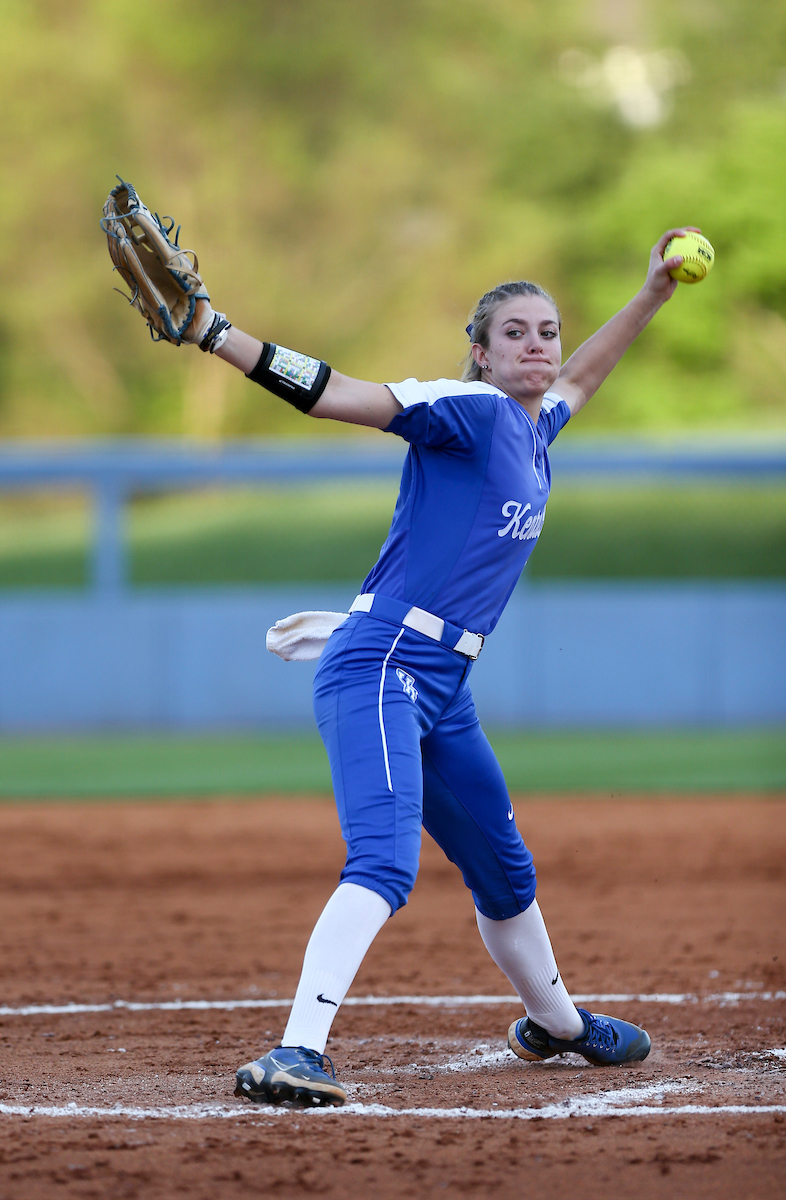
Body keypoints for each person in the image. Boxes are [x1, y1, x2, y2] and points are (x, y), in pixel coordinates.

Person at [199, 228, 696, 1107]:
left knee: (505, 871)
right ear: (480, 352)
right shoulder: (465, 412)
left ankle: (560, 1027)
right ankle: (293, 1051)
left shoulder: (536, 427)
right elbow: (333, 394)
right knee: (383, 864)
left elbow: (584, 375)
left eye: (547, 329)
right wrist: (215, 334)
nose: (539, 344)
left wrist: (653, 292)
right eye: (516, 332)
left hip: (443, 682)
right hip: (385, 665)